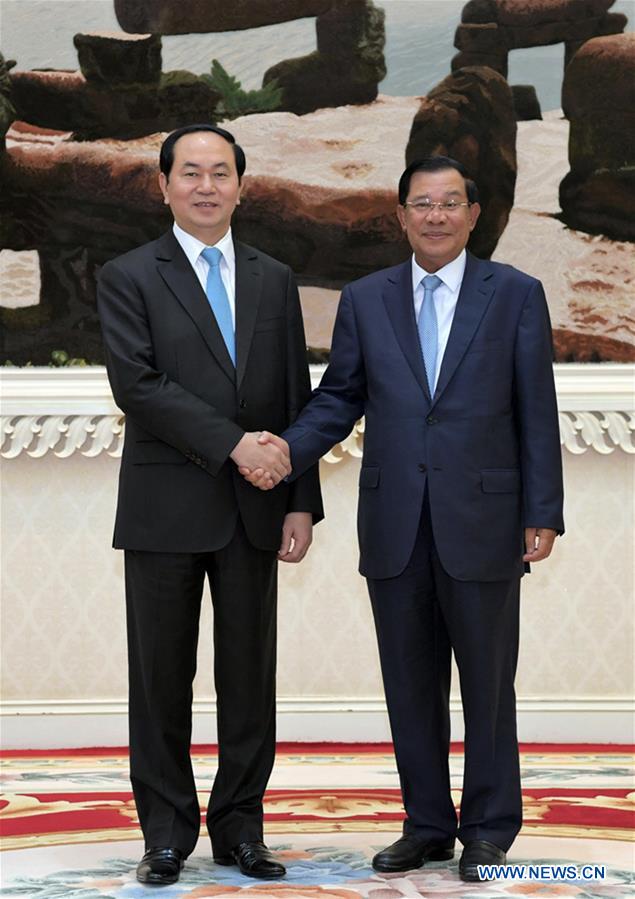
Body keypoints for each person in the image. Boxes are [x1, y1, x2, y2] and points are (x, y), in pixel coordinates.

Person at [242, 156, 564, 882]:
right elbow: (337, 398)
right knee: (409, 681)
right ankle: (425, 824)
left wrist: (542, 508)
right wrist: (282, 452)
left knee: (486, 682)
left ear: (473, 214)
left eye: (451, 202)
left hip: (484, 519)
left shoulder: (513, 294)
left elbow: (535, 409)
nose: (436, 215)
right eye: (421, 203)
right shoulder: (365, 298)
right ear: (400, 215)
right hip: (394, 521)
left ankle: (487, 828)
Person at [97, 123, 323, 886]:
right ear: (163, 186)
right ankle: (164, 832)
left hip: (257, 510)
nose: (204, 185)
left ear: (240, 184)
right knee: (159, 678)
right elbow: (139, 385)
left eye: (219, 172)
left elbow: (295, 392)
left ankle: (240, 829)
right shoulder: (129, 274)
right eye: (188, 172)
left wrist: (300, 500)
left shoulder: (273, 275)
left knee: (248, 679)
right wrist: (235, 445)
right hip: (165, 506)